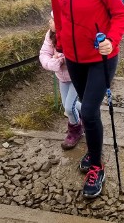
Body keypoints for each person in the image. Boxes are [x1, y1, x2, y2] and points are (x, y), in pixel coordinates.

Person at [49, 0, 124, 199]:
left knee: (89, 111)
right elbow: (59, 15)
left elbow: (120, 14)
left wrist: (112, 40)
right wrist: (59, 42)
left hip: (101, 57)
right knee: (86, 108)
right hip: (73, 58)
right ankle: (94, 150)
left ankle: (97, 165)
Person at [38, 11, 83, 150]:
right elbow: (44, 53)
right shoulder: (50, 35)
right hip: (62, 77)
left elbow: (78, 54)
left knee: (69, 108)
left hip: (77, 76)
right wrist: (52, 63)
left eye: (52, 19)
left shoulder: (73, 35)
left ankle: (75, 130)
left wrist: (62, 59)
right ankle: (90, 113)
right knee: (67, 105)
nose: (49, 22)